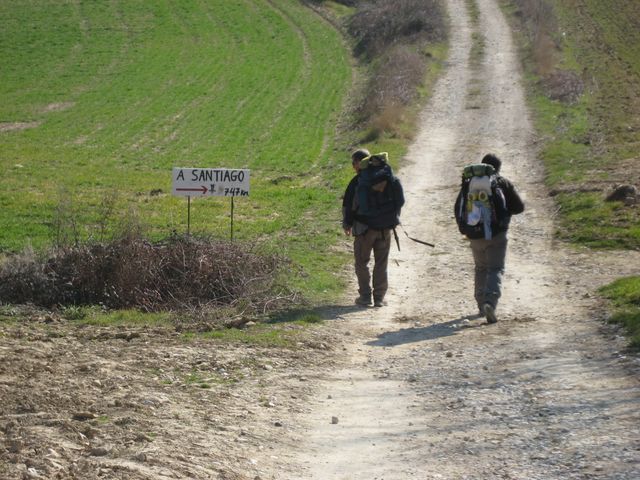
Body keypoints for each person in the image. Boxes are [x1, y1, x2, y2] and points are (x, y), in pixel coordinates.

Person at [454, 153, 524, 323]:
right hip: (496, 234)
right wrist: (504, 215)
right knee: (495, 268)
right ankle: (490, 302)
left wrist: (465, 229)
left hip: (474, 235)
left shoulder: (469, 183)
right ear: (497, 168)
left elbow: (457, 208)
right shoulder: (501, 182)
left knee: (480, 268)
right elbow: (519, 207)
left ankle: (481, 304)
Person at [342, 149, 405, 307]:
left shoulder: (358, 181)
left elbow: (349, 205)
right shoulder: (387, 177)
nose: (353, 166)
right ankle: (379, 298)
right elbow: (399, 201)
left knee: (361, 263)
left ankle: (365, 296)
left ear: (359, 163)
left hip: (364, 229)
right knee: (381, 263)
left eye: (353, 163)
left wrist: (347, 224)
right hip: (385, 228)